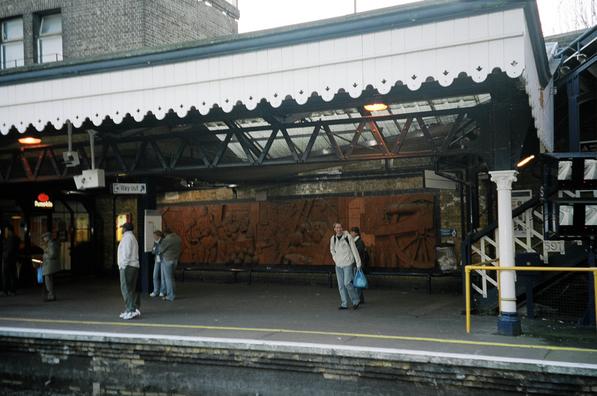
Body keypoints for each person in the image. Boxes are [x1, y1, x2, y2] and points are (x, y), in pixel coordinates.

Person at [330, 222, 361, 310]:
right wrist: (335, 259)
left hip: (347, 263)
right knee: (341, 285)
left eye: (340, 227)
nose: (339, 229)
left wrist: (358, 264)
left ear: (342, 228)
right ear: (334, 229)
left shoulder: (348, 237)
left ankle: (356, 300)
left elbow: (354, 250)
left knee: (347, 283)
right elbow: (332, 250)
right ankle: (344, 303)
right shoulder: (333, 238)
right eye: (337, 228)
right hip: (338, 265)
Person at [117, 222, 140, 320]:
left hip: (128, 266)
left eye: (123, 228)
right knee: (131, 288)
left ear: (125, 229)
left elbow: (126, 253)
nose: (122, 229)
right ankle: (132, 309)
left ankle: (130, 310)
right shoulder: (132, 237)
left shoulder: (127, 238)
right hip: (133, 266)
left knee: (126, 288)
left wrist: (122, 265)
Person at [160, 228, 182, 302]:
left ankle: (170, 296)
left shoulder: (166, 240)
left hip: (167, 260)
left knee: (168, 278)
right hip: (175, 259)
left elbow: (160, 250)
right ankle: (172, 293)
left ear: (165, 234)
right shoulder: (178, 238)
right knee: (171, 277)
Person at [350, 227, 368, 304]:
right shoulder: (356, 241)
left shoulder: (359, 242)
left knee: (357, 281)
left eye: (352, 232)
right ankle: (360, 298)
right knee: (358, 281)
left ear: (356, 233)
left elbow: (358, 253)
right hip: (357, 264)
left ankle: (359, 298)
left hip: (357, 264)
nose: (351, 233)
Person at [2, 225, 20, 296]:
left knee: (6, 275)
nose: (6, 232)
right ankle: (12, 290)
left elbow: (9, 249)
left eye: (6, 230)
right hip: (13, 259)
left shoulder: (10, 238)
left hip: (8, 259)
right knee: (12, 274)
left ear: (9, 231)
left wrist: (4, 255)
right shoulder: (16, 238)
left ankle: (6, 290)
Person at [41, 232, 59, 301]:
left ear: (48, 237)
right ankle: (51, 294)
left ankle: (51, 295)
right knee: (49, 280)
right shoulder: (50, 244)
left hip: (49, 264)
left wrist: (45, 255)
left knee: (48, 280)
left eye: (45, 237)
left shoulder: (51, 244)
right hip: (49, 264)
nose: (44, 239)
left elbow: (52, 254)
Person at [150, 230, 166, 298]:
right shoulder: (155, 242)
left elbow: (161, 251)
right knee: (155, 275)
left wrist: (157, 251)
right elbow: (153, 251)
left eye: (154, 235)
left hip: (163, 260)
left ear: (158, 236)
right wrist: (157, 251)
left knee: (163, 277)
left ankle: (162, 291)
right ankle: (155, 291)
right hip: (157, 260)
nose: (153, 237)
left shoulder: (163, 241)